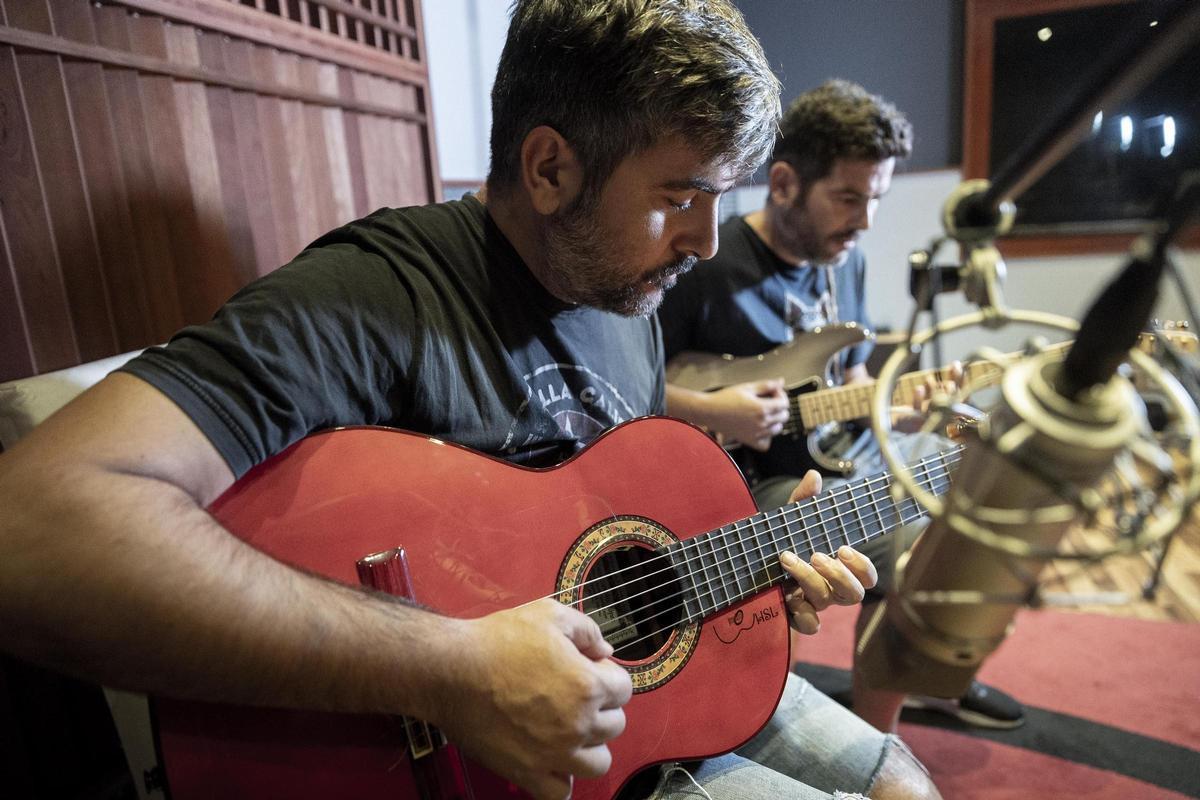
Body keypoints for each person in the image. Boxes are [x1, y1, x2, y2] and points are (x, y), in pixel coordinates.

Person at [0, 3, 942, 799]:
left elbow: (605, 535)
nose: (704, 240)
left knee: (904, 781)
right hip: (469, 762)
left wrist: (743, 577)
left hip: (646, 710)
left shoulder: (628, 296)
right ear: (549, 169)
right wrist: (452, 671)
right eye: (681, 196)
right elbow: (31, 529)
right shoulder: (374, 294)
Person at [658, 79, 1026, 733]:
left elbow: (853, 378)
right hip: (761, 484)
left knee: (985, 472)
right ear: (782, 183)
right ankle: (877, 739)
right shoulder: (708, 264)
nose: (864, 221)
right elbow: (630, 386)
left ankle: (923, 676)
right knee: (921, 554)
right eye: (849, 197)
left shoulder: (842, 260)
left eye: (876, 198)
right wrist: (717, 411)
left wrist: (905, 409)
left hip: (847, 449)